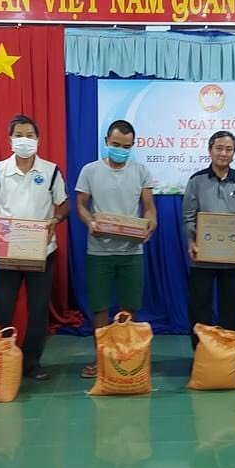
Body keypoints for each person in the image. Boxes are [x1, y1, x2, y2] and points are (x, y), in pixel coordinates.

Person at [0, 114, 70, 381]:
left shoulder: (51, 171)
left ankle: (32, 363)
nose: (24, 140)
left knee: (39, 309)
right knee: (2, 309)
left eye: (30, 135)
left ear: (38, 140)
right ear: (10, 139)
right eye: (19, 135)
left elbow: (64, 205)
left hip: (41, 251)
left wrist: (55, 220)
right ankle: (2, 360)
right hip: (6, 250)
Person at [75, 119, 157, 379]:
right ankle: (101, 359)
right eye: (116, 144)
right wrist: (90, 222)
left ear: (133, 145)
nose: (121, 149)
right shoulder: (90, 171)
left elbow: (149, 208)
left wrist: (151, 223)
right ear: (106, 142)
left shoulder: (141, 171)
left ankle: (125, 357)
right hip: (98, 251)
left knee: (129, 307)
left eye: (126, 146)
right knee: (99, 308)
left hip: (131, 252)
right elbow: (81, 205)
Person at [182, 130, 235, 349]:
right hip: (202, 256)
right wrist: (192, 241)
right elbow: (188, 215)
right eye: (219, 148)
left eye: (229, 149)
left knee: (229, 309)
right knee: (199, 308)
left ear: (234, 153)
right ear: (210, 150)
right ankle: (202, 355)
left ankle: (227, 357)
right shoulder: (196, 180)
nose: (223, 153)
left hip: (232, 257)